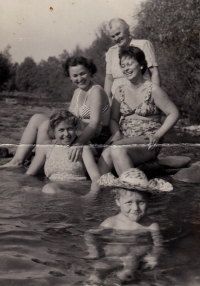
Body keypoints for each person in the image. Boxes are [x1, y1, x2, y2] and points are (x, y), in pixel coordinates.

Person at [0, 56, 110, 168]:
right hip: (79, 132)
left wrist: (78, 143)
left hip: (95, 139)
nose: (79, 78)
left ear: (90, 72)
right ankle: (17, 161)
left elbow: (94, 124)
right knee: (37, 118)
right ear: (70, 77)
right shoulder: (77, 92)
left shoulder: (96, 91)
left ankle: (40, 165)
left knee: (46, 125)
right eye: (75, 76)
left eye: (83, 73)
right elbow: (67, 119)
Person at [98, 46, 179, 176]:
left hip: (147, 140)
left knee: (116, 148)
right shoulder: (120, 91)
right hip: (124, 138)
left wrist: (158, 135)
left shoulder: (153, 90)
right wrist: (117, 134)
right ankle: (97, 191)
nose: (126, 68)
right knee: (106, 153)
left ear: (141, 65)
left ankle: (133, 189)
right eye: (123, 65)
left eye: (129, 64)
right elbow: (113, 119)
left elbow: (173, 113)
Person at [84, 168, 172, 285]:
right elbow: (90, 233)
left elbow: (158, 244)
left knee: (132, 259)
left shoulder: (151, 226)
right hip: (113, 255)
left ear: (148, 201)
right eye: (129, 202)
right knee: (101, 265)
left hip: (136, 259)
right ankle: (95, 278)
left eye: (141, 202)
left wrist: (154, 256)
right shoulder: (111, 223)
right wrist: (93, 250)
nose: (135, 208)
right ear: (118, 202)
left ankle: (121, 277)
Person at [26, 110, 101, 195]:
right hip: (52, 190)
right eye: (61, 130)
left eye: (70, 129)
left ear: (75, 129)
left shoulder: (82, 149)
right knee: (47, 189)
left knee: (49, 188)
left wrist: (91, 195)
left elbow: (96, 177)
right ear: (54, 131)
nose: (66, 134)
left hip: (76, 190)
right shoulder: (46, 147)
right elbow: (29, 175)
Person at [104, 17, 160, 101]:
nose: (116, 38)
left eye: (118, 33)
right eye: (113, 36)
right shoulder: (111, 52)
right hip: (118, 100)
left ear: (127, 30)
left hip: (142, 96)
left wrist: (155, 97)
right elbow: (109, 78)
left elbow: (154, 73)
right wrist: (107, 99)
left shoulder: (143, 45)